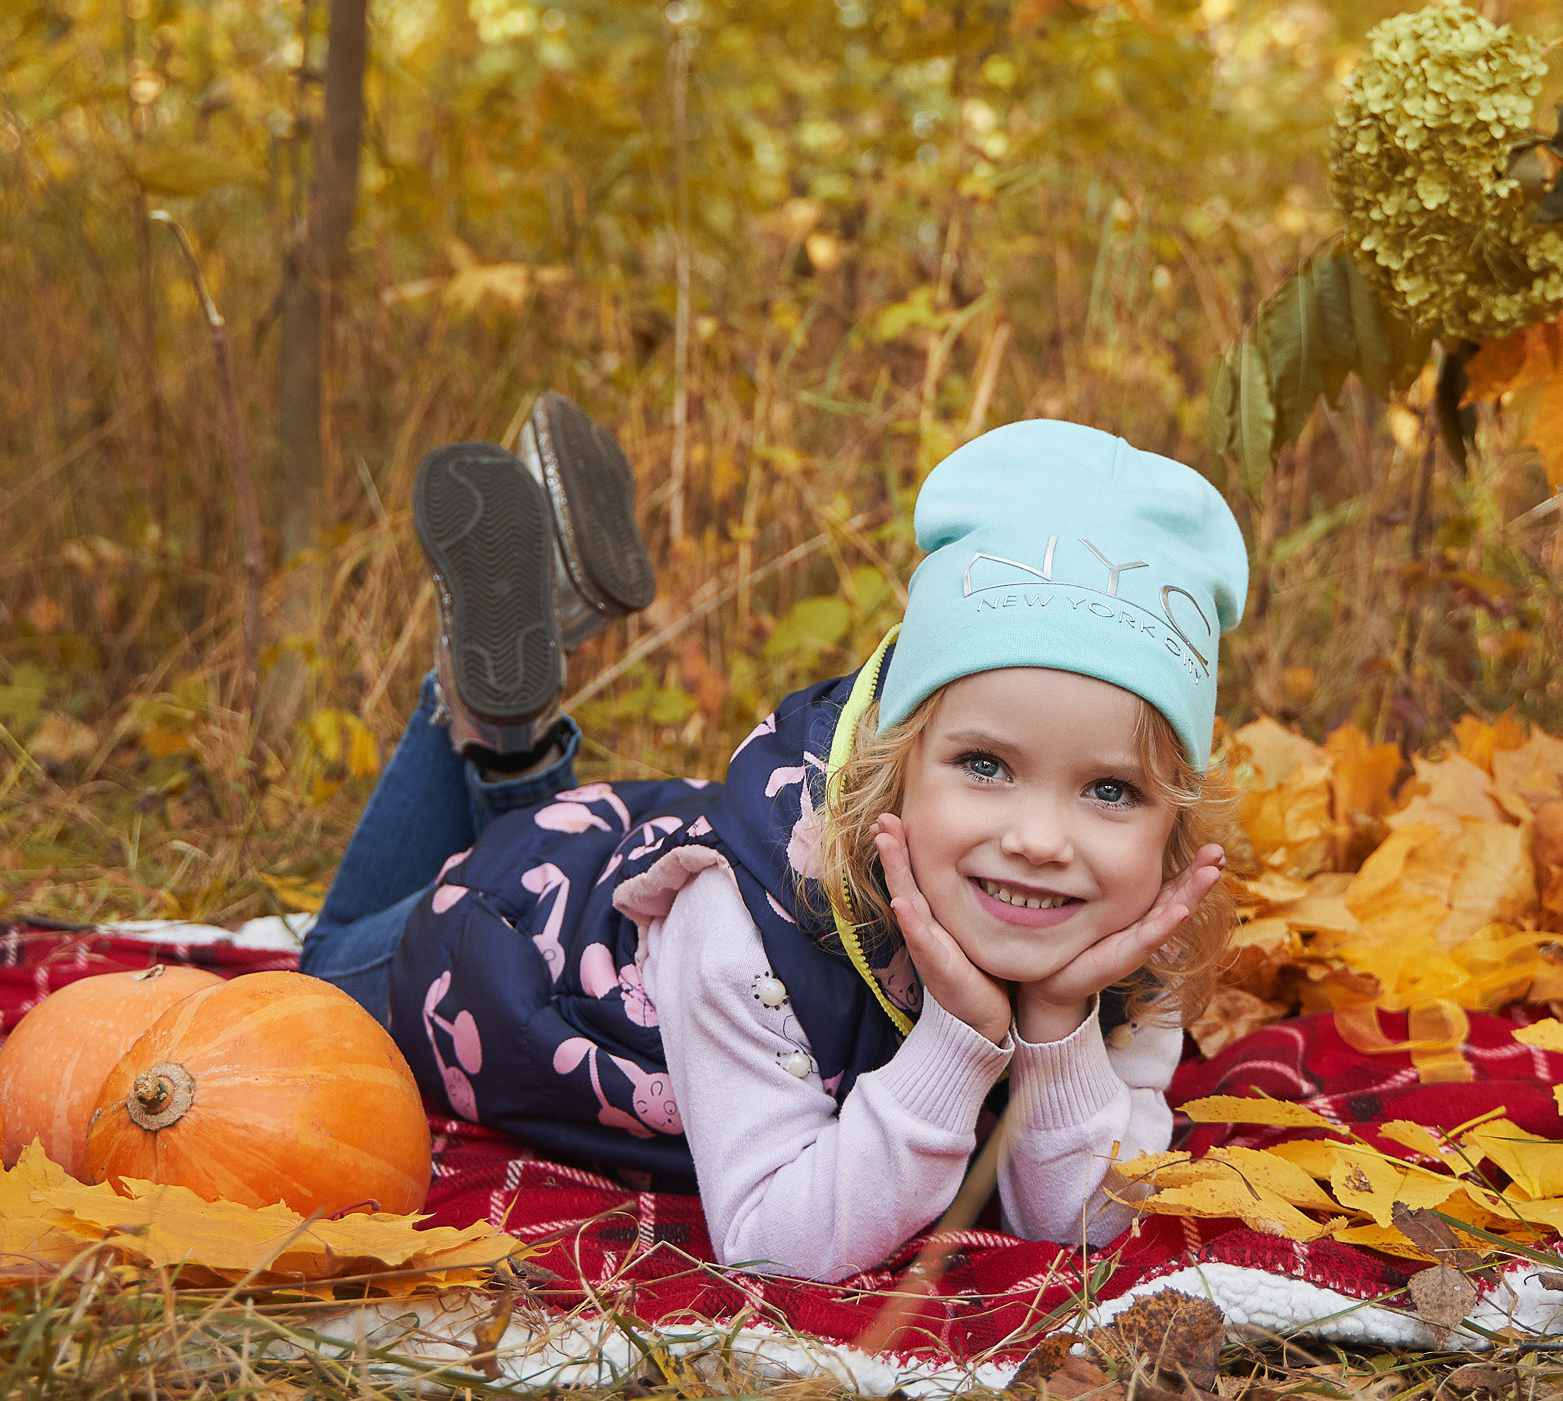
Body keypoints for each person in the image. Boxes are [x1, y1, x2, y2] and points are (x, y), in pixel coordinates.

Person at [301, 402, 1241, 1282]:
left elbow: (1077, 1230)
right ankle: (478, 719)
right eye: (986, 766)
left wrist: (1056, 1025)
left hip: (613, 849)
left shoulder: (1133, 951)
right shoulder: (745, 931)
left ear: (1173, 832)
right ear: (891, 765)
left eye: (1110, 789)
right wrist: (960, 1041)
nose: (1039, 841)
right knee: (314, 972)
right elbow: (767, 1244)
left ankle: (506, 739)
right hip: (504, 959)